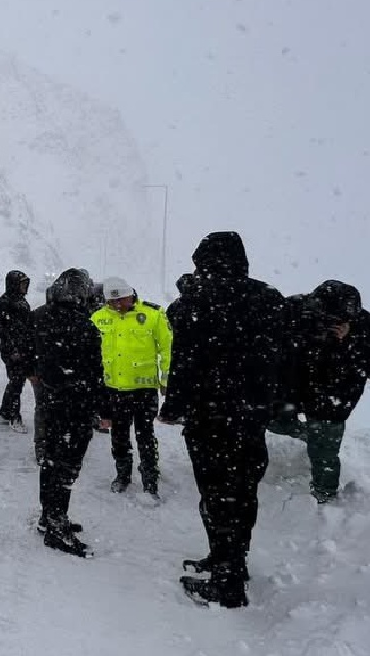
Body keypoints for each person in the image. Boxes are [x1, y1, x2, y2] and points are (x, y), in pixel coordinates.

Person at [158, 231, 287, 608]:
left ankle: (227, 583)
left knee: (217, 494)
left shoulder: (196, 301)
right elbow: (283, 356)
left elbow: (185, 360)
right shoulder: (270, 299)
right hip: (251, 415)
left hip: (210, 414)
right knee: (242, 492)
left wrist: (174, 407)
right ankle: (230, 562)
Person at [269, 279, 370, 503]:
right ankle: (308, 434)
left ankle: (325, 495)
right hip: (292, 388)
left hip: (333, 396)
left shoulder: (365, 325)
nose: (332, 323)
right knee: (273, 420)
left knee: (325, 452)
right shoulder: (295, 310)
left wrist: (350, 340)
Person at [32, 268, 107, 558]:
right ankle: (56, 524)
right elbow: (95, 371)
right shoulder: (83, 325)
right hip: (75, 406)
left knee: (52, 461)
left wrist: (40, 375)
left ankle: (49, 516)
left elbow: (28, 352)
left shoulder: (41, 316)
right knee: (67, 465)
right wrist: (102, 407)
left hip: (51, 402)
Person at [92, 277, 172, 497]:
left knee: (145, 435)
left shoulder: (153, 315)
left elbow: (168, 350)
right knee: (119, 436)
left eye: (121, 300)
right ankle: (123, 474)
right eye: (112, 301)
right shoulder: (97, 319)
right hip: (114, 390)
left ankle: (150, 477)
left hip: (144, 390)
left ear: (131, 294)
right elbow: (91, 356)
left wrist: (166, 381)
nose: (117, 305)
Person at [0, 270, 34, 430]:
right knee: (16, 380)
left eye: (26, 284)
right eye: (22, 284)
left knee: (17, 380)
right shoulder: (4, 302)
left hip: (22, 347)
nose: (24, 287)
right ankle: (14, 417)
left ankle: (4, 412)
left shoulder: (22, 301)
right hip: (11, 349)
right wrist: (12, 345)